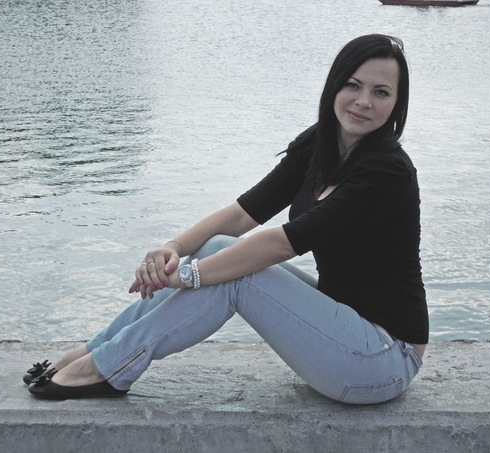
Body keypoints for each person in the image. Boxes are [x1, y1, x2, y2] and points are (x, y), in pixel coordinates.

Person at [25, 34, 429, 404]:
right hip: (343, 330)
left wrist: (184, 276)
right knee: (219, 247)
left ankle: (107, 368)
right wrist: (172, 249)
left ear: (397, 103)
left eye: (381, 92)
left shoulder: (387, 171)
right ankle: (96, 350)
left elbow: (281, 244)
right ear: (334, 86)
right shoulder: (321, 144)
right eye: (353, 85)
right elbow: (239, 215)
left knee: (239, 275)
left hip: (383, 359)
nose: (363, 101)